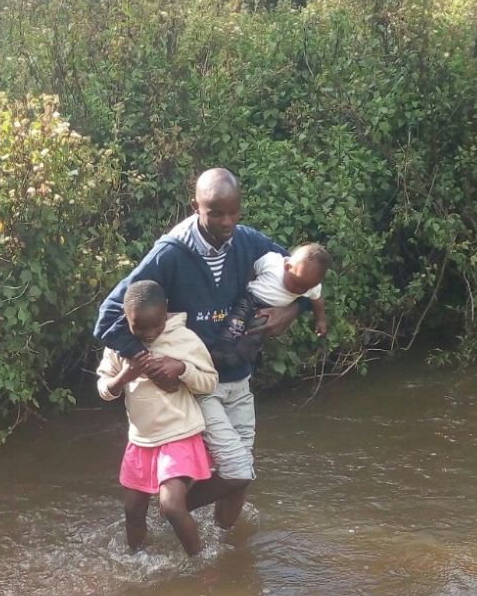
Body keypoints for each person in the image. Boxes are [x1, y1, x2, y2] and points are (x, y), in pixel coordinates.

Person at [94, 168, 311, 530]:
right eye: (216, 213)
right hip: (196, 384)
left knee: (240, 476)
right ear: (196, 207)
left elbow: (305, 274)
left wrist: (293, 310)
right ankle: (173, 515)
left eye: (234, 212)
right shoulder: (171, 252)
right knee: (239, 472)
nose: (227, 222)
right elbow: (108, 317)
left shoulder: (248, 241)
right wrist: (149, 364)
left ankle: (223, 548)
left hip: (239, 377)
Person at [96, 280, 218, 556]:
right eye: (140, 328)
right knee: (132, 510)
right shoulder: (118, 347)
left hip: (179, 435)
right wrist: (123, 377)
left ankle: (200, 562)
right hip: (141, 440)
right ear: (126, 319)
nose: (150, 334)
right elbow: (104, 390)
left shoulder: (185, 339)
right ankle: (137, 561)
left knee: (172, 505)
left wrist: (182, 368)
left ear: (166, 312)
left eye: (157, 325)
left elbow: (209, 382)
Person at [210, 243, 331, 368]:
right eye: (296, 283)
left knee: (257, 332)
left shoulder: (311, 285)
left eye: (305, 289)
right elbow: (253, 270)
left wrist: (321, 320)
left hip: (269, 311)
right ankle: (224, 345)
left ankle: (240, 357)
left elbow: (317, 301)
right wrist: (245, 287)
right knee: (237, 318)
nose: (298, 290)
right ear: (287, 266)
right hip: (250, 299)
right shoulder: (272, 262)